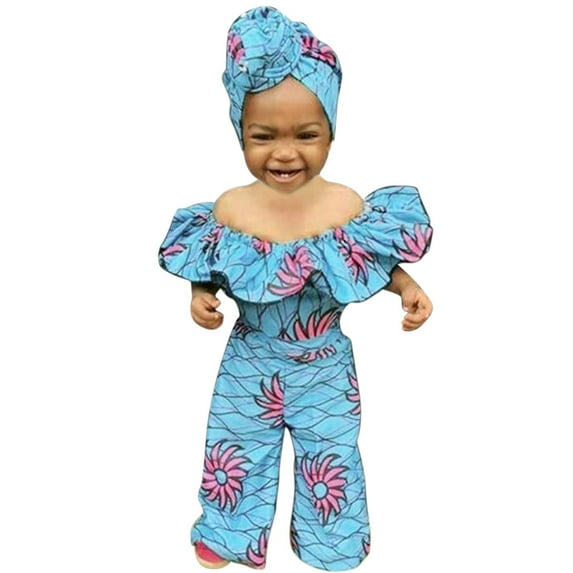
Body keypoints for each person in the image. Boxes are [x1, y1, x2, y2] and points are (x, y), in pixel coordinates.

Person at [158, 6, 433, 571]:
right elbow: (211, 264)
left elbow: (370, 259)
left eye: (307, 135)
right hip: (249, 359)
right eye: (263, 136)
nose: (284, 153)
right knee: (234, 447)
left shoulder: (345, 206)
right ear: (240, 131)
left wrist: (407, 286)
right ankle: (229, 532)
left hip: (324, 363)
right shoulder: (232, 208)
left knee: (330, 455)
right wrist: (198, 294)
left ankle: (332, 542)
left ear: (331, 132)